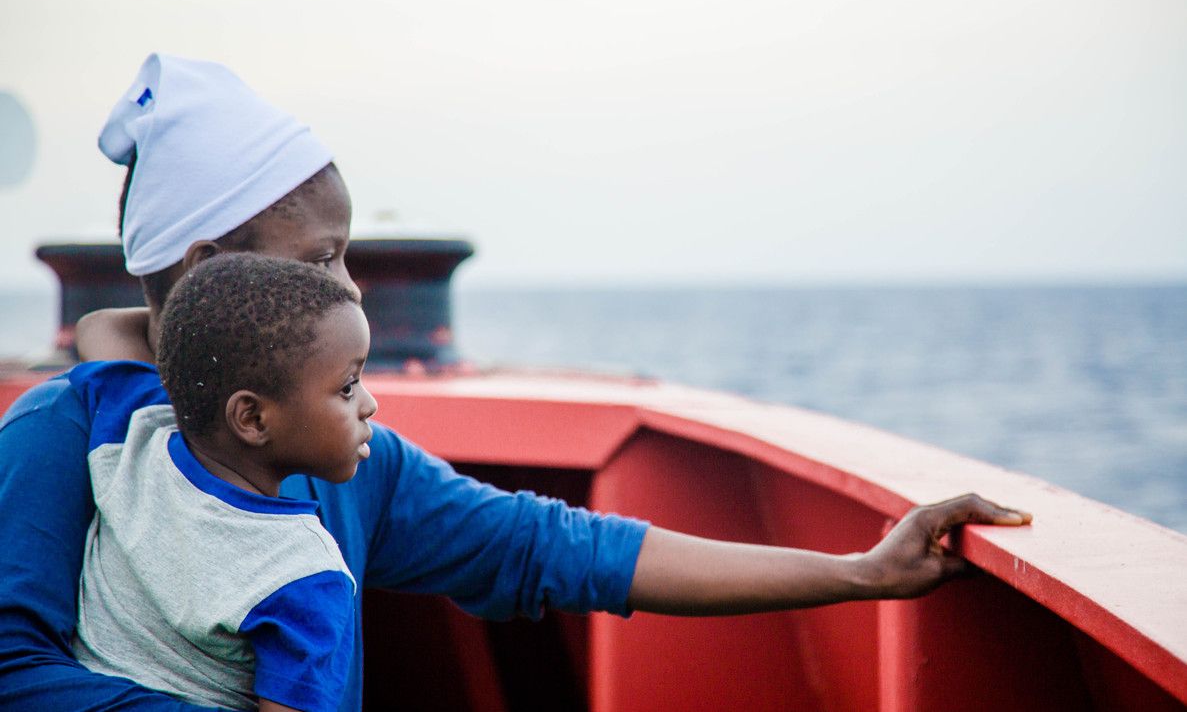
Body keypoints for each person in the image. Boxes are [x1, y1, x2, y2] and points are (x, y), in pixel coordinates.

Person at [0, 53, 1032, 712]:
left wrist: (859, 570)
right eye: (320, 262)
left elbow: (560, 546)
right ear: (206, 265)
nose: (349, 286)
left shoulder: (350, 466)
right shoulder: (59, 432)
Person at [72, 254, 375, 712]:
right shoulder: (305, 575)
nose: (369, 404)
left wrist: (194, 329)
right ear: (251, 417)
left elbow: (98, 327)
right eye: (348, 386)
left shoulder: (132, 431)